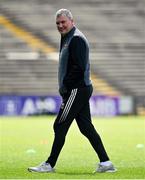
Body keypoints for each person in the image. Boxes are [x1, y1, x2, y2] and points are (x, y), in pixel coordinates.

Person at [28, 9, 117, 173]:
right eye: (57, 23)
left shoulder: (76, 39)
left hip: (77, 89)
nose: (60, 26)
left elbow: (80, 67)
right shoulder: (67, 38)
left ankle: (49, 164)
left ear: (72, 21)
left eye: (63, 22)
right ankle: (106, 163)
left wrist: (66, 85)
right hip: (79, 88)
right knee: (85, 127)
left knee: (60, 124)